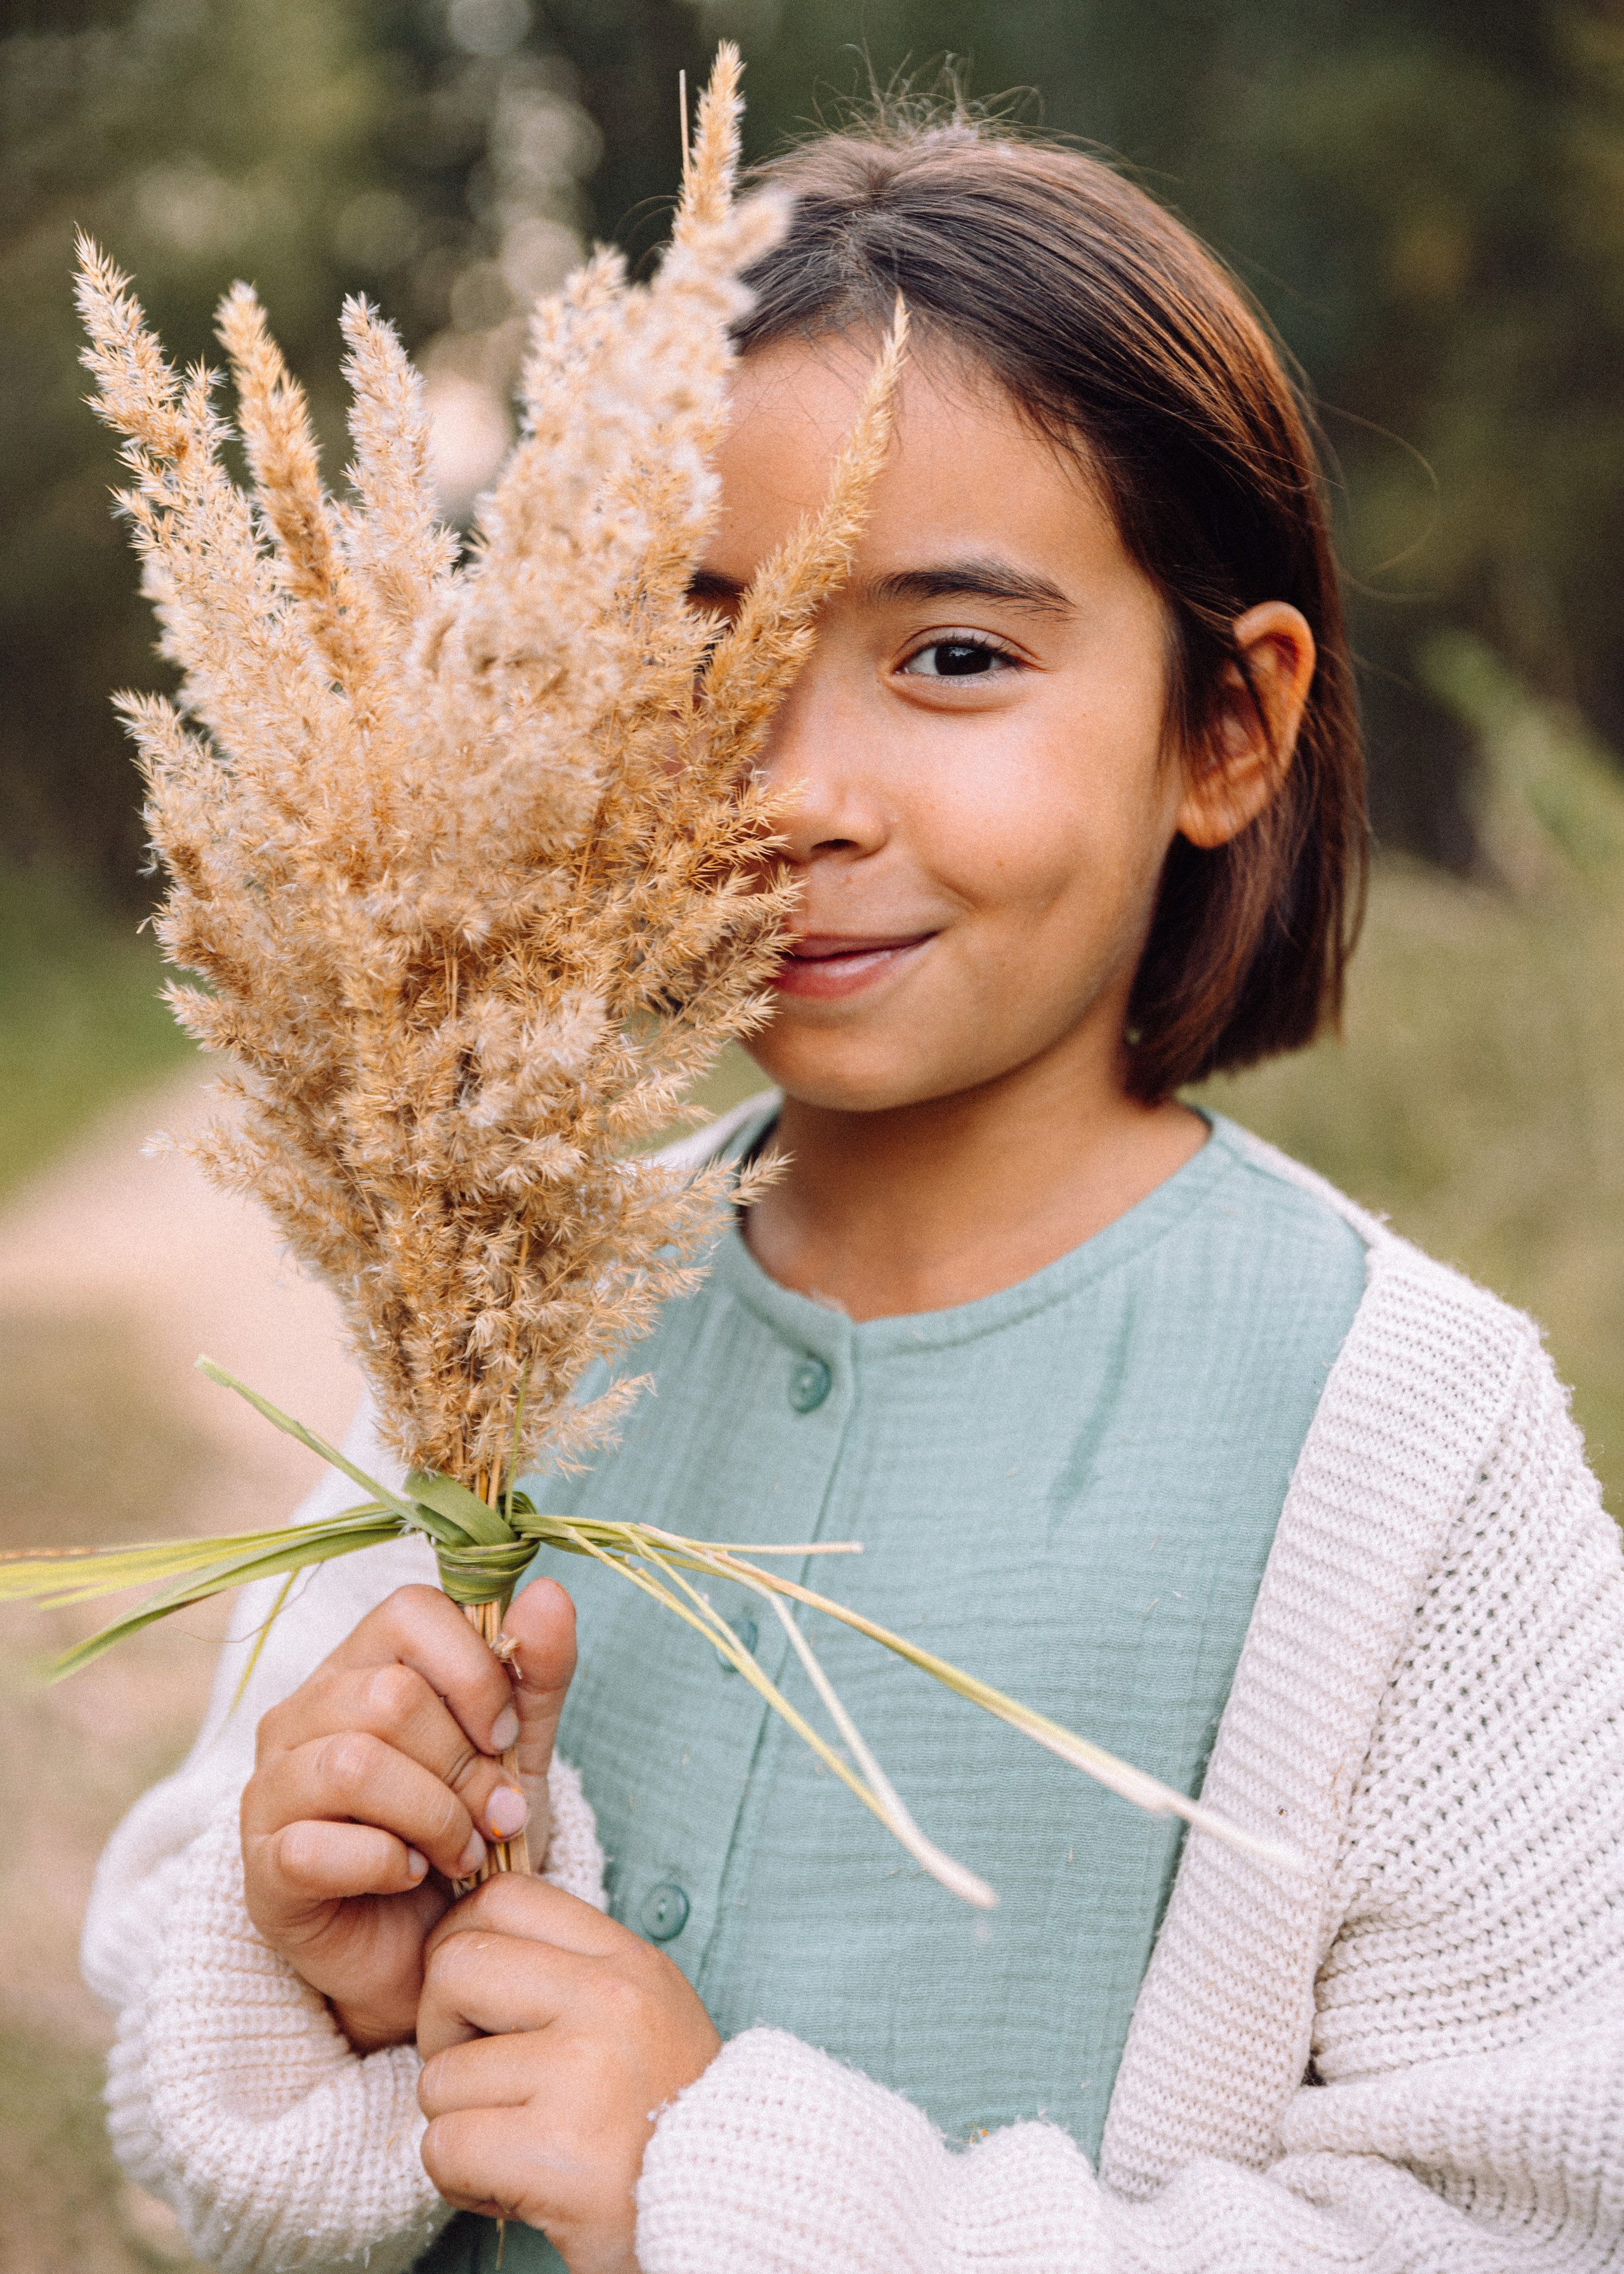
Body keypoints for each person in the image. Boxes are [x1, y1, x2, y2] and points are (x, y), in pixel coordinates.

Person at [83, 114, 1624, 2274]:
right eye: (702, 650)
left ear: (1227, 726)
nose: (794, 794)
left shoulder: (1404, 1433)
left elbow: (1505, 2227)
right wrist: (320, 1985)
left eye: (956, 658)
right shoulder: (501, 1311)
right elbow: (197, 2130)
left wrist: (731, 2187)